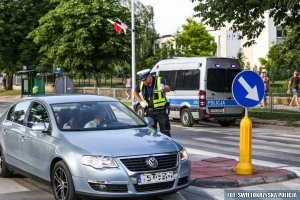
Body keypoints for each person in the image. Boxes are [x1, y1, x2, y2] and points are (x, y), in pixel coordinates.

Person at [133, 69, 171, 137]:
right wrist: (140, 101)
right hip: (149, 112)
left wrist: (163, 88)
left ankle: (167, 146)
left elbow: (168, 88)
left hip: (161, 112)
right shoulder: (141, 83)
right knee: (151, 133)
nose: (143, 82)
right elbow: (135, 92)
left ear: (149, 76)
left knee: (165, 133)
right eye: (142, 80)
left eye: (145, 80)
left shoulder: (159, 80)